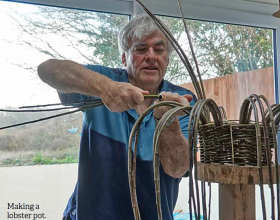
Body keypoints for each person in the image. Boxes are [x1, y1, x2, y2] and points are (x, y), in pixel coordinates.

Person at [38, 14, 197, 220]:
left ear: (167, 58)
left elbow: (177, 169)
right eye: (140, 49)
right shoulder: (105, 82)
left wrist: (168, 122)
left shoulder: (182, 101)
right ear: (124, 58)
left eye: (159, 49)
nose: (151, 56)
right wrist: (106, 89)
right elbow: (47, 70)